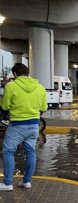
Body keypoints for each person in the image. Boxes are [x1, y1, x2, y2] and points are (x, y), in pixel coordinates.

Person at [0, 63, 47, 191]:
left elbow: (4, 106)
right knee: (31, 152)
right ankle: (27, 182)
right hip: (34, 125)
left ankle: (8, 183)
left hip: (17, 125)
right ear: (27, 73)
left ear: (15, 74)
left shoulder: (11, 86)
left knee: (8, 152)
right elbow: (44, 108)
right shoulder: (40, 87)